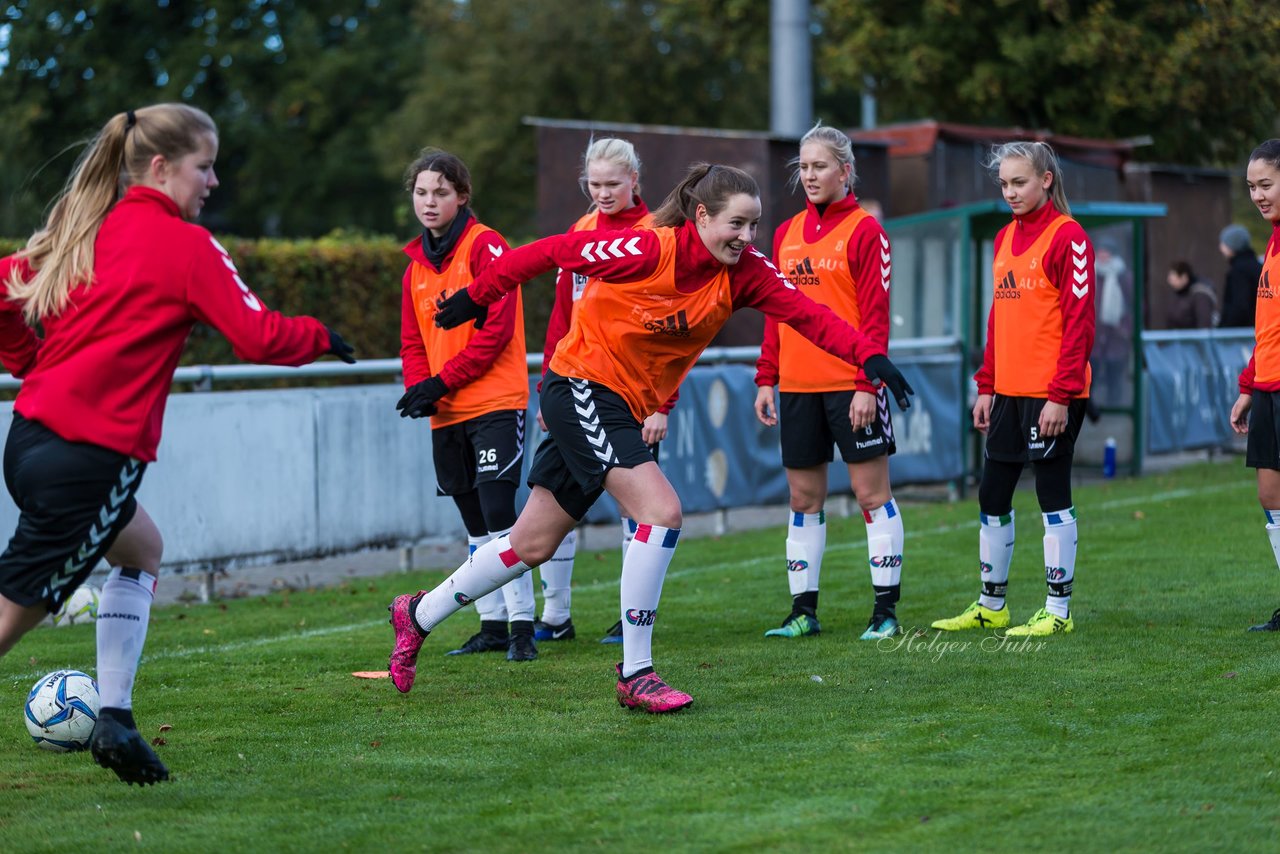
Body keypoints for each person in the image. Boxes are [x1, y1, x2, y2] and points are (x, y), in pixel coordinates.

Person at [387, 163, 914, 713]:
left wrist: (870, 357)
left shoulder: (747, 272)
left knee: (532, 544)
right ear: (702, 217)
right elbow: (548, 253)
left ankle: (417, 615)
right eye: (737, 224)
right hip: (580, 386)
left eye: (755, 225)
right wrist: (479, 294)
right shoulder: (644, 250)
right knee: (661, 512)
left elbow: (810, 317)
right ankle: (636, 672)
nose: (748, 238)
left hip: (619, 403)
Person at [0, 104, 355, 784]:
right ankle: (114, 718)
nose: (213, 181)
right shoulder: (185, 245)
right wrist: (319, 336)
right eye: (204, 166)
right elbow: (257, 337)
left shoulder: (88, 229)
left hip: (32, 439)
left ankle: (116, 719)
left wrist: (27, 362)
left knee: (143, 550)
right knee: (14, 610)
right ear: (162, 168)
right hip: (90, 457)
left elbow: (2, 292)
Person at [931, 141, 1094, 637]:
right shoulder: (1003, 239)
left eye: (1019, 182)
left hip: (1053, 395)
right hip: (1007, 394)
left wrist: (1060, 396)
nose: (1010, 192)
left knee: (1052, 496)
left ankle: (1058, 611)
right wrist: (986, 385)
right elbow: (998, 319)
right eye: (1004, 184)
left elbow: (1080, 324)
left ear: (1046, 179)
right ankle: (991, 605)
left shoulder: (1070, 237)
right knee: (992, 495)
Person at [753, 123, 905, 642]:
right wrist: (767, 377)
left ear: (845, 170)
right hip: (797, 386)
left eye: (820, 166)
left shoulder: (865, 230)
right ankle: (803, 612)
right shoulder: (785, 232)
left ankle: (885, 612)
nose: (810, 175)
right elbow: (776, 312)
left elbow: (876, 315)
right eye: (804, 167)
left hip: (850, 384)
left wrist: (868, 384)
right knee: (803, 499)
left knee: (870, 494)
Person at [530, 137, 677, 647]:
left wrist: (662, 404)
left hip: (631, 391)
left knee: (636, 507)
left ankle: (629, 619)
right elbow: (562, 316)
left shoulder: (657, 233)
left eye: (613, 183)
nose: (603, 193)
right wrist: (550, 380)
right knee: (551, 505)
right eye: (594, 184)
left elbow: (669, 328)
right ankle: (556, 615)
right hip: (576, 384)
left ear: (635, 179)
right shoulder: (580, 231)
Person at [397, 148, 537, 662]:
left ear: (461, 196)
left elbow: (497, 331)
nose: (429, 202)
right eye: (421, 192)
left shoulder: (486, 246)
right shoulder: (414, 266)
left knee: (501, 514)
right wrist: (422, 388)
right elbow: (413, 339)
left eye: (440, 192)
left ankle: (524, 626)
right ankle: (492, 624)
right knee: (474, 521)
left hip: (495, 401)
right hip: (447, 410)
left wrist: (441, 381)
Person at [1228, 139, 1280, 632]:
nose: (1258, 195)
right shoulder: (1272, 239)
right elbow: (1268, 326)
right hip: (1268, 389)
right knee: (1270, 496)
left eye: (1266, 184)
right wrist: (1249, 385)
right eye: (1252, 187)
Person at [1090, 239, 1132, 406]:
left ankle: (1114, 413)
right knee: (1089, 379)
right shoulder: (1088, 272)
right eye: (1099, 251)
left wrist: (1125, 329)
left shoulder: (1123, 276)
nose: (1102, 255)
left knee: (1114, 379)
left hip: (1116, 338)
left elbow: (1135, 304)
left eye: (1106, 252)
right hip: (1093, 338)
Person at [1219, 223, 1263, 329]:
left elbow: (1240, 306)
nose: (1220, 247)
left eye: (1223, 243)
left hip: (1242, 335)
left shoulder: (1239, 271)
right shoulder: (1257, 265)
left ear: (1232, 245)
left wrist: (1225, 329)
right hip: (1259, 327)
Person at [1164, 260, 1219, 329]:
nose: (1169, 281)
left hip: (1193, 337)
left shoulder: (1200, 295)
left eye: (1173, 278)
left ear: (1184, 278)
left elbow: (1204, 323)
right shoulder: (1179, 294)